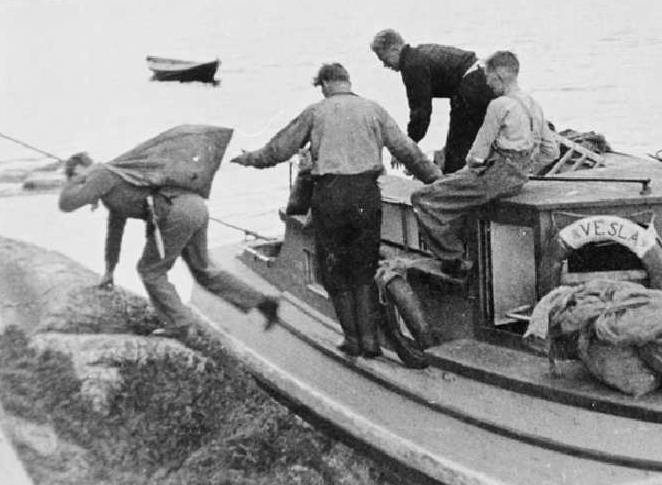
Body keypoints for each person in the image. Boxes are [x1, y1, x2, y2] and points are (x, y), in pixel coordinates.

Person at [231, 62, 441, 357]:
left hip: (330, 196)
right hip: (366, 196)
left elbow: (279, 149)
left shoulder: (316, 112)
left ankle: (353, 340)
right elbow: (408, 151)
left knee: (334, 271)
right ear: (348, 81)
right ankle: (370, 342)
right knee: (364, 269)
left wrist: (251, 159)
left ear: (326, 83)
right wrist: (438, 181)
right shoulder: (375, 110)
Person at [58, 152, 279, 339]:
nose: (82, 188)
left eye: (78, 179)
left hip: (178, 212)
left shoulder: (100, 174)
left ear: (82, 170)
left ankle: (181, 324)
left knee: (150, 270)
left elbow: (66, 204)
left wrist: (78, 178)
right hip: (194, 207)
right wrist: (110, 270)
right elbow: (115, 232)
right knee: (204, 271)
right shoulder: (112, 186)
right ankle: (263, 302)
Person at [411, 50, 559, 275]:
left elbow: (476, 156)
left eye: (488, 78)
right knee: (453, 189)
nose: (487, 84)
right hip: (518, 178)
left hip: (493, 176)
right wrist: (524, 169)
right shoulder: (532, 104)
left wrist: (459, 174)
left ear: (498, 76)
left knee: (423, 198)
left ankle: (454, 259)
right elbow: (551, 151)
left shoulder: (499, 105)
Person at [370, 28, 495, 174]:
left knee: (457, 149)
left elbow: (420, 113)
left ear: (394, 48)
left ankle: (451, 187)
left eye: (384, 59)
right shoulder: (419, 53)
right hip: (484, 76)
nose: (385, 65)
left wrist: (406, 148)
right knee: (473, 138)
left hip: (471, 84)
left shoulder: (411, 65)